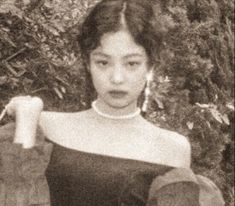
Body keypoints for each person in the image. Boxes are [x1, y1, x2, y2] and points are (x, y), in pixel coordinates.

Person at [0, 0, 225, 206]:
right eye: (103, 62)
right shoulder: (44, 128)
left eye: (131, 64)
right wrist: (27, 124)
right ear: (88, 63)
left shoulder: (172, 149)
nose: (117, 78)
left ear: (150, 66)